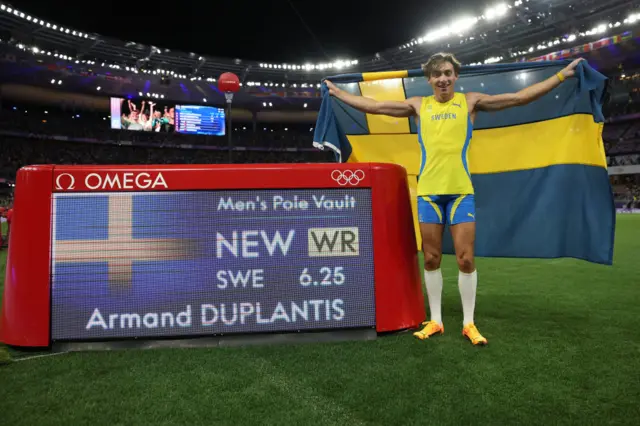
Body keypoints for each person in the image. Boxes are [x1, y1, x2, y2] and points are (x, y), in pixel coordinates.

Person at [325, 53, 584, 346]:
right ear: (429, 79)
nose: (443, 79)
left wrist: (562, 75)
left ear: (455, 75)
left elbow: (518, 98)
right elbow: (375, 106)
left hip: (461, 191)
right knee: (432, 258)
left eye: (447, 73)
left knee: (465, 258)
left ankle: (468, 323)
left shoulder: (470, 102)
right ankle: (435, 321)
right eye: (437, 75)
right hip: (429, 194)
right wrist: (338, 93)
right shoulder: (419, 105)